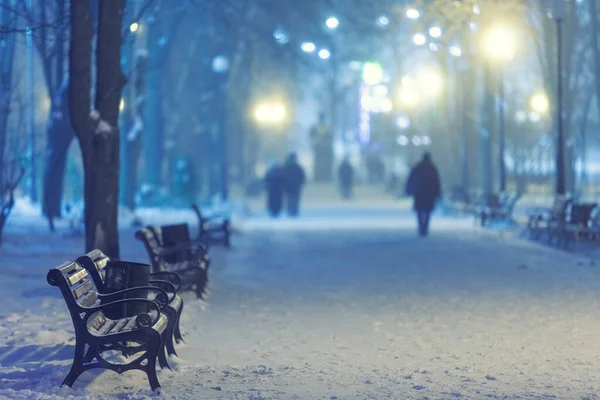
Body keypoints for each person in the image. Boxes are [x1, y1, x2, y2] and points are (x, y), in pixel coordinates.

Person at [405, 152, 441, 237]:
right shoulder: (432, 168)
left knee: (420, 211)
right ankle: (425, 228)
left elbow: (412, 179)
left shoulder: (418, 167)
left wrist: (409, 190)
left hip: (419, 193)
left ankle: (421, 227)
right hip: (429, 193)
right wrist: (437, 193)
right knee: (427, 211)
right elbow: (436, 182)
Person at [282, 152, 306, 217]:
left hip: (294, 187)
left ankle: (293, 211)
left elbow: (302, 177)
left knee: (293, 199)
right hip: (291, 187)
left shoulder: (287, 167)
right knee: (291, 199)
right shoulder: (296, 167)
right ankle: (292, 211)